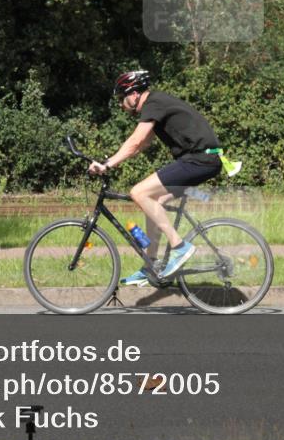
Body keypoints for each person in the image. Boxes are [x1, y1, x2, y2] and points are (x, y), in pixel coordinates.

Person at [88, 70, 222, 286]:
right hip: (202, 159)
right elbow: (142, 144)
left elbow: (135, 141)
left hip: (200, 159)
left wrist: (107, 164)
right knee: (153, 202)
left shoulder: (154, 102)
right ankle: (151, 265)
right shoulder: (156, 105)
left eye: (122, 99)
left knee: (138, 192)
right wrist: (111, 160)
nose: (122, 105)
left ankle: (180, 247)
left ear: (133, 94)